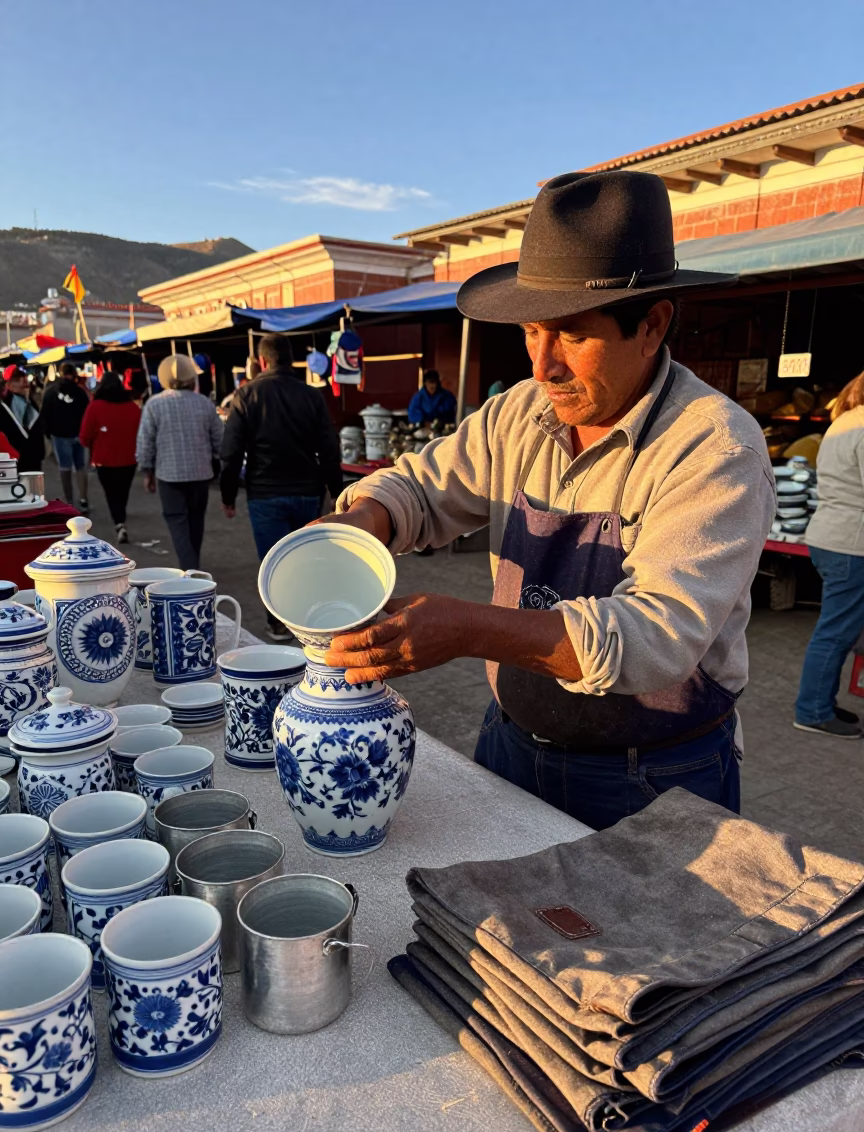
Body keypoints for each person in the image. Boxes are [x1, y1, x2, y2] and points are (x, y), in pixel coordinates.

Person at [319, 170, 775, 832]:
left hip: (653, 778)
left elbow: (655, 636)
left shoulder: (715, 448)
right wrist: (362, 521)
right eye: (532, 331)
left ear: (650, 324)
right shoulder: (519, 415)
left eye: (571, 335)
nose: (542, 366)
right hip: (511, 744)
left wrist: (467, 628)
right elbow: (423, 484)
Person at [221, 332, 342, 641]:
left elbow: (232, 451)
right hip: (307, 491)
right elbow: (329, 448)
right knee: (306, 558)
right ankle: (309, 620)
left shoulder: (246, 395)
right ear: (291, 359)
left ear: (262, 361)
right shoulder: (312, 395)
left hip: (265, 493)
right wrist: (337, 493)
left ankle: (278, 624)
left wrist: (228, 494)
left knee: (274, 562)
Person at [793, 371, 864, 739]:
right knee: (836, 632)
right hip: (852, 542)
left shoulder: (844, 421)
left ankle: (822, 702)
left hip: (832, 535)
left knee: (836, 629)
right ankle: (813, 711)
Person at [136, 353, 223, 570]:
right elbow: (219, 440)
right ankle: (193, 564)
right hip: (201, 474)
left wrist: (146, 471)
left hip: (168, 475)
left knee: (177, 521)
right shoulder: (205, 404)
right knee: (196, 521)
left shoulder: (154, 405)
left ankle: (189, 567)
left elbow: (145, 442)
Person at [78, 370, 141, 544]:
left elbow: (84, 435)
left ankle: (119, 523)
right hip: (129, 458)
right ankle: (120, 518)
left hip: (104, 459)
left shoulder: (95, 406)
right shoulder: (132, 406)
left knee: (111, 493)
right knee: (123, 491)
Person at [40, 361, 89, 507]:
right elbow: (87, 413)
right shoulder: (80, 392)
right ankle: (84, 499)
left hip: (60, 435)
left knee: (65, 468)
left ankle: (69, 501)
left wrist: (48, 433)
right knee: (80, 467)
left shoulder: (51, 391)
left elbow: (45, 414)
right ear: (74, 373)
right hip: (78, 434)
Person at [0, 367, 42, 472]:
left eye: (24, 379)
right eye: (18, 380)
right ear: (9, 385)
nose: (24, 383)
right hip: (18, 460)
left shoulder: (29, 402)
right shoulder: (6, 405)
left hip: (32, 457)